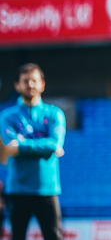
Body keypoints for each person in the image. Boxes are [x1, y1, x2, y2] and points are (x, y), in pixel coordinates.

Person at [0, 64, 66, 240]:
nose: (30, 85)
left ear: (42, 84)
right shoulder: (7, 116)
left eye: (34, 81)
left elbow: (55, 143)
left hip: (47, 189)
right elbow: (10, 147)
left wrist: (21, 146)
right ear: (17, 85)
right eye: (25, 81)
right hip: (18, 190)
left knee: (54, 237)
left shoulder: (55, 114)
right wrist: (47, 147)